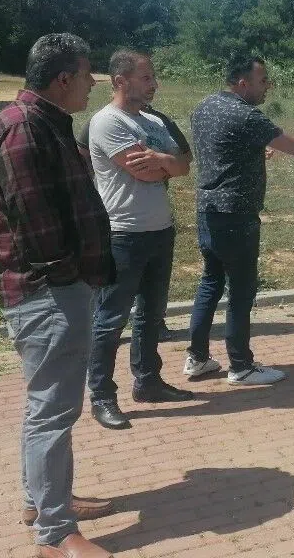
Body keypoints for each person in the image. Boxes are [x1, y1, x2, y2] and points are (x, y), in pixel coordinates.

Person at [0, 33, 115, 557]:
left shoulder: (46, 125)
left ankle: (42, 501)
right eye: (86, 74)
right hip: (49, 292)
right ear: (63, 79)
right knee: (53, 411)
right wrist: (74, 278)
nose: (92, 83)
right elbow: (38, 229)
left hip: (56, 289)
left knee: (46, 407)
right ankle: (55, 535)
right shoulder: (23, 130)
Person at [84, 50, 195, 430]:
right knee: (110, 319)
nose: (154, 85)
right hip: (123, 234)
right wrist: (166, 163)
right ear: (120, 81)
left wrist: (161, 161)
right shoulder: (106, 122)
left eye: (153, 77)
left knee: (151, 313)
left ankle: (148, 381)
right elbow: (147, 173)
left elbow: (184, 166)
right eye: (146, 78)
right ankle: (102, 396)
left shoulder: (153, 121)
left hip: (160, 230)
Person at [185, 56, 294, 386]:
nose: (267, 86)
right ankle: (241, 366)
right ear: (243, 83)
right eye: (262, 80)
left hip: (207, 211)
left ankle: (197, 357)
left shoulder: (204, 106)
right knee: (241, 291)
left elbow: (224, 149)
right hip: (237, 215)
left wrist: (252, 152)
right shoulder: (246, 115)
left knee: (211, 282)